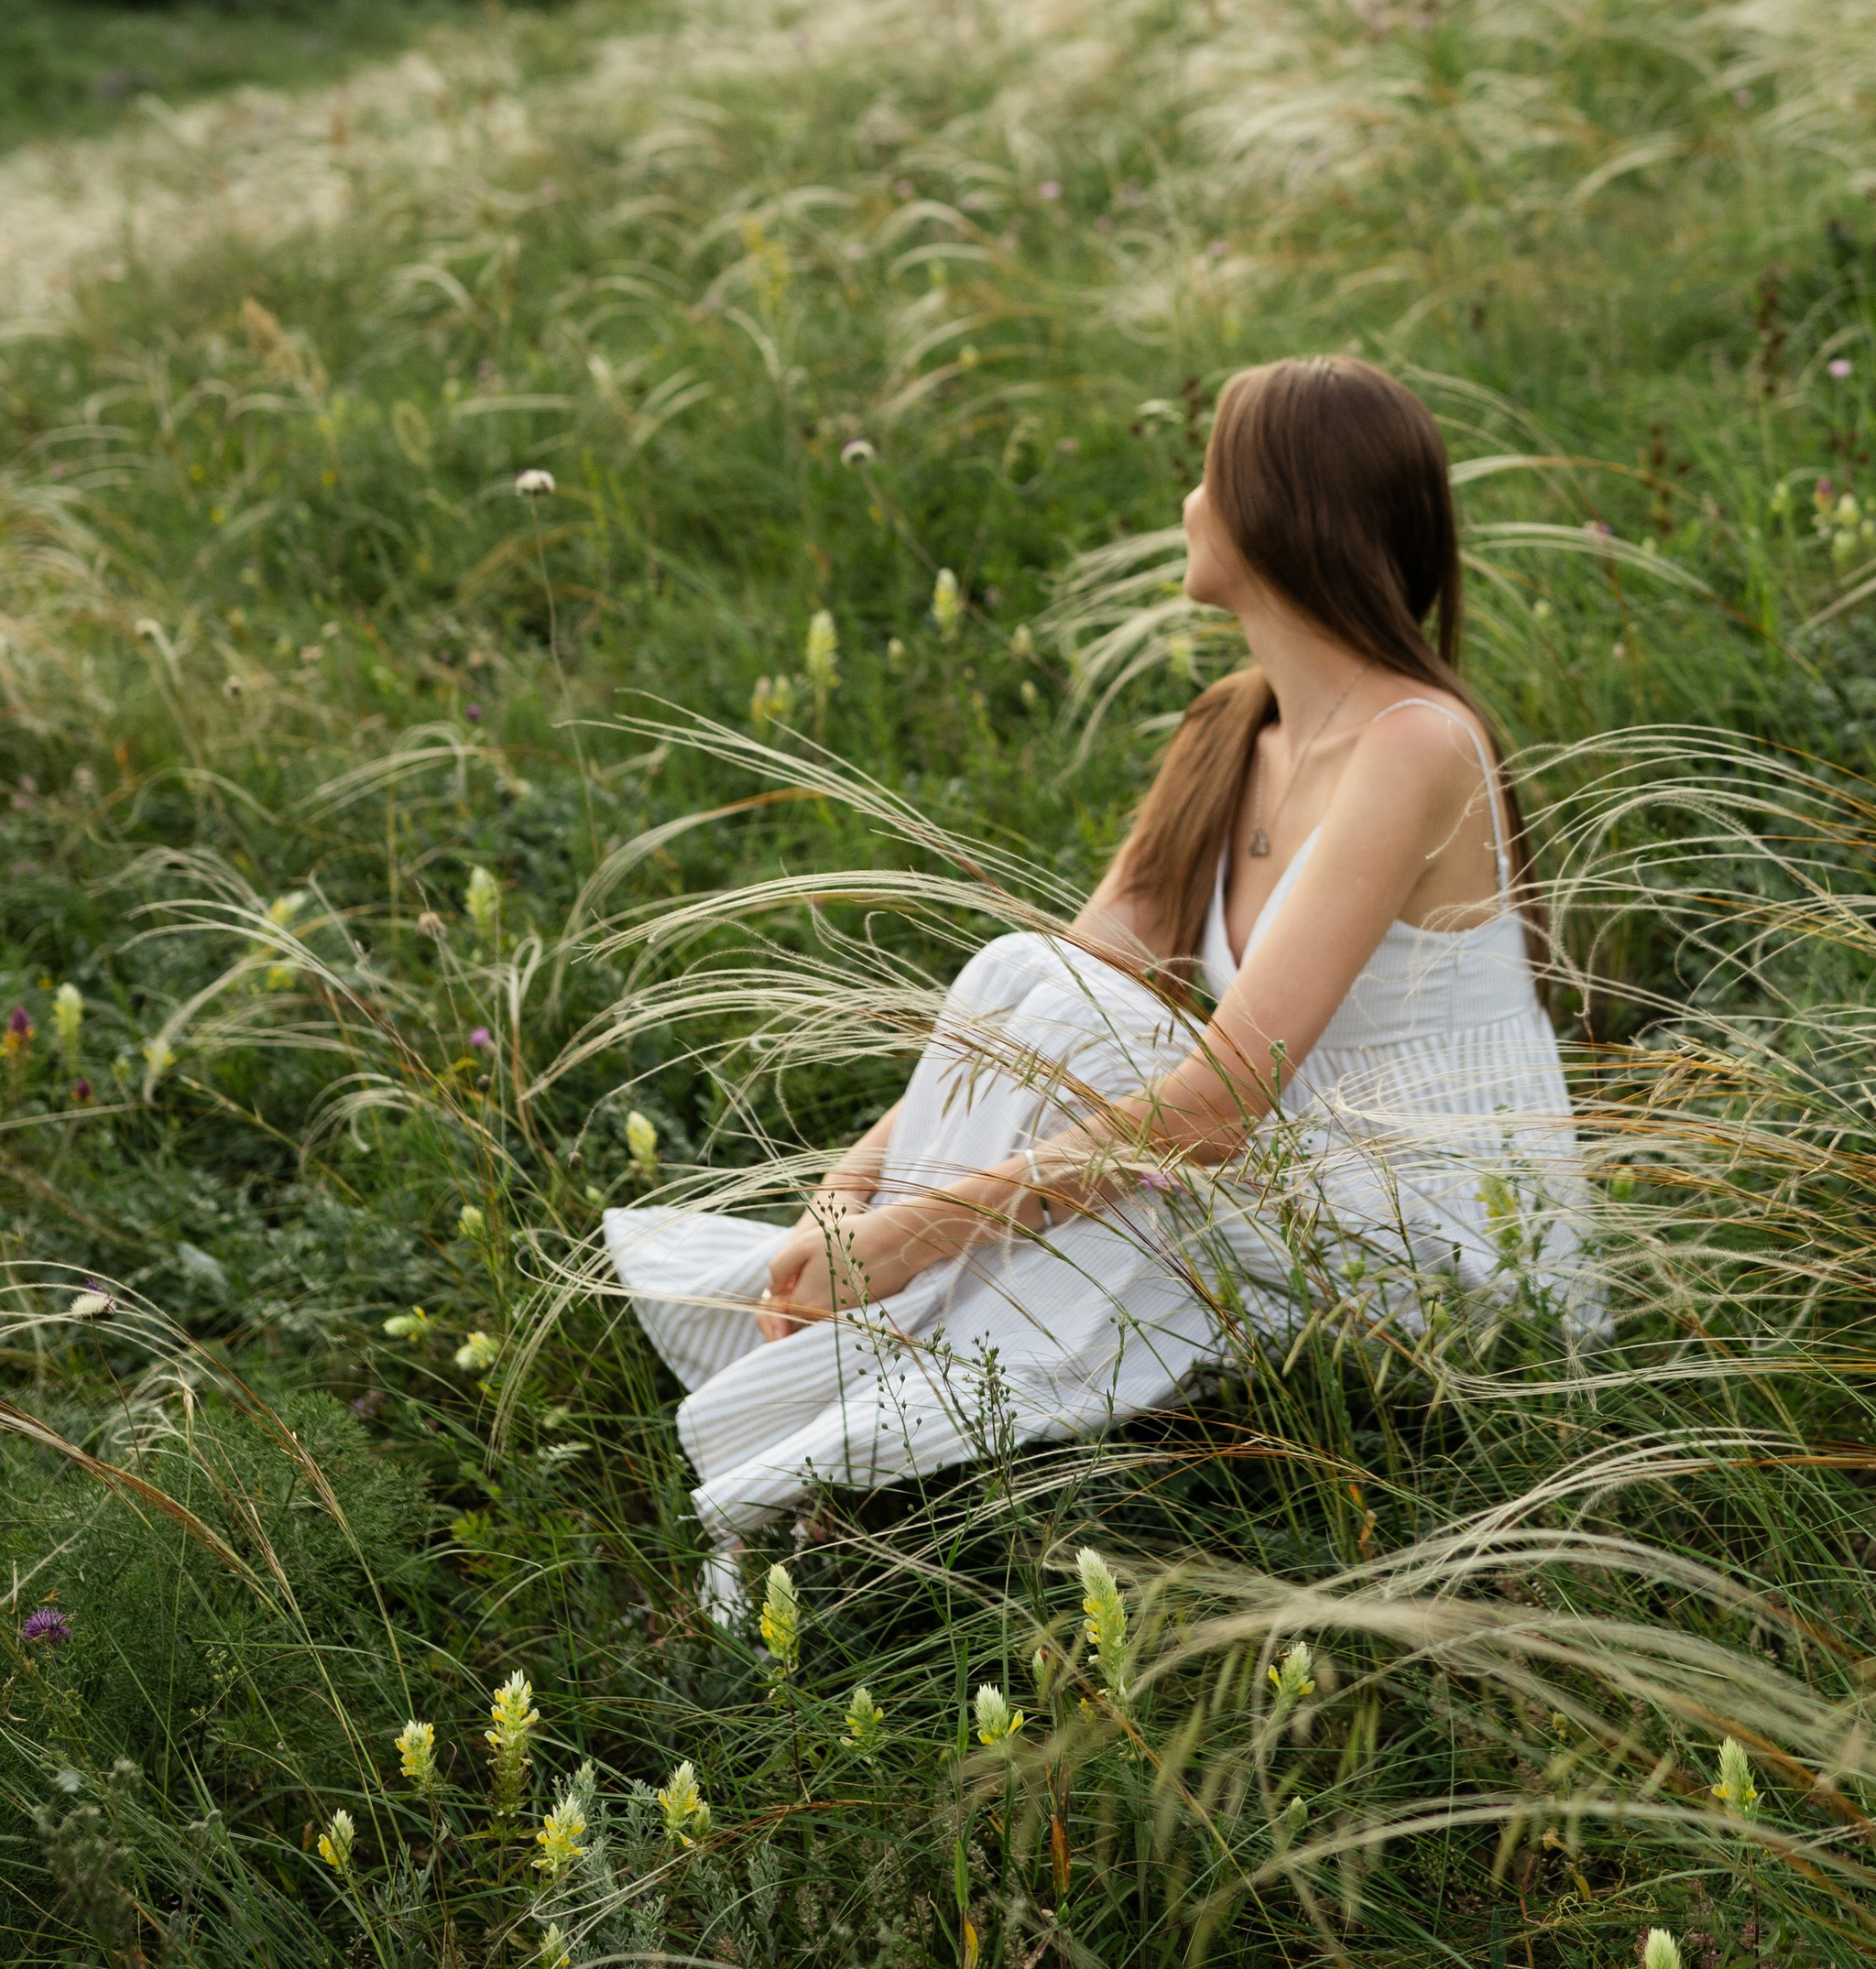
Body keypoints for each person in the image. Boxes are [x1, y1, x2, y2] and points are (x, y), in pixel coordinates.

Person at [605, 355, 1592, 1541]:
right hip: (1300, 1193)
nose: (1186, 506)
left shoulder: (1417, 745)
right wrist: (848, 1195)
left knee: (1108, 1124)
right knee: (1043, 995)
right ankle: (868, 1429)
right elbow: (1035, 1007)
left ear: (1281, 515)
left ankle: (869, 1448)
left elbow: (1219, 1106)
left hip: (1449, 1259)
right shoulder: (1234, 731)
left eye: (1209, 477)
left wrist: (903, 1239)